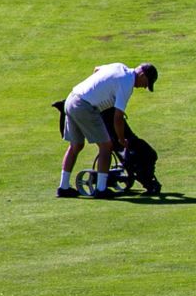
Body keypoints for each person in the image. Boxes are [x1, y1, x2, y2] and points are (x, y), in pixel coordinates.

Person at [58, 60, 158, 197]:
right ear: (142, 75)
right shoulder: (127, 84)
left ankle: (63, 187)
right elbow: (118, 118)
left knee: (76, 145)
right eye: (146, 83)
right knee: (106, 146)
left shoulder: (119, 66)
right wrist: (121, 139)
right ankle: (101, 189)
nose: (144, 86)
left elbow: (96, 69)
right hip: (85, 106)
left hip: (72, 99)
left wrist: (99, 91)